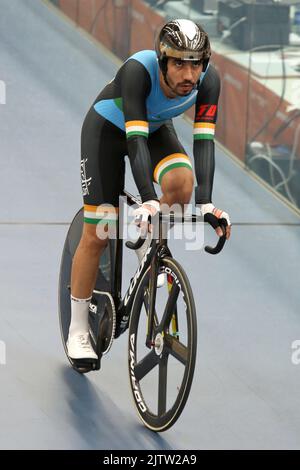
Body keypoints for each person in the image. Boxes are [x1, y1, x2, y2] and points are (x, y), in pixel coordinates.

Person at [67, 18, 231, 360]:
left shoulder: (209, 82)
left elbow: (203, 142)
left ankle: (146, 239)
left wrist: (207, 203)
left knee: (182, 182)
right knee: (99, 232)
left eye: (196, 64)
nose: (189, 75)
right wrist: (149, 199)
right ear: (162, 61)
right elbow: (134, 139)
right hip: (108, 133)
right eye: (179, 64)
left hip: (154, 128)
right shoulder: (138, 72)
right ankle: (78, 326)